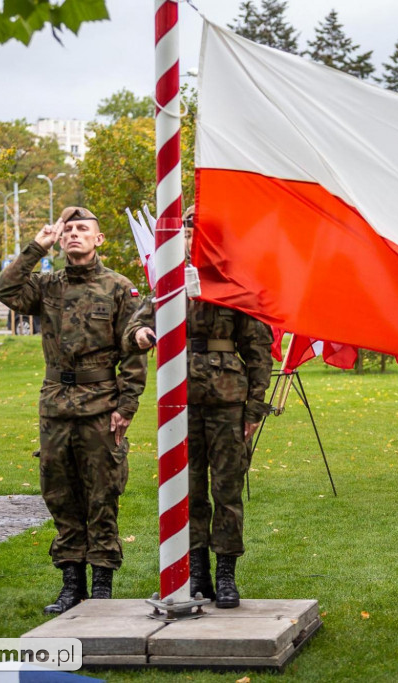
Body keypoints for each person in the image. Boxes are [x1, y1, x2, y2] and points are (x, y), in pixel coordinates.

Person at [0, 206, 147, 614]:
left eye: (83, 229)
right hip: (56, 405)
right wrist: (36, 246)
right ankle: (71, 585)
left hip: (101, 404)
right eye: (69, 230)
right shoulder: (47, 286)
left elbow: (133, 352)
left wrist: (127, 405)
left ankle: (102, 587)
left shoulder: (118, 287)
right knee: (60, 494)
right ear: (61, 240)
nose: (74, 234)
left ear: (99, 239)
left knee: (102, 494)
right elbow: (4, 290)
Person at [124, 205, 273, 609]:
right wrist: (141, 334)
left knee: (227, 491)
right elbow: (135, 325)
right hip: (180, 402)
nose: (191, 238)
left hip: (227, 403)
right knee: (187, 491)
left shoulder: (235, 281)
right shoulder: (170, 281)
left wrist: (254, 409)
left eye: (198, 231)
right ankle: (197, 572)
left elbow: (258, 350)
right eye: (186, 232)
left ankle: (226, 574)